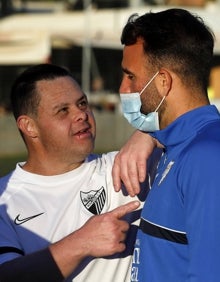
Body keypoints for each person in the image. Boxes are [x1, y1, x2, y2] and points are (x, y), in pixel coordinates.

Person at [0, 63, 160, 282]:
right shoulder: (5, 202)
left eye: (82, 103)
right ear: (29, 127)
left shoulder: (127, 164)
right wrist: (83, 242)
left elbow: (198, 126)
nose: (81, 115)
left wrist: (151, 132)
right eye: (63, 110)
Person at [113, 8, 220, 281]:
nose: (124, 88)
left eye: (131, 76)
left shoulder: (206, 157)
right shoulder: (179, 145)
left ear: (163, 81)